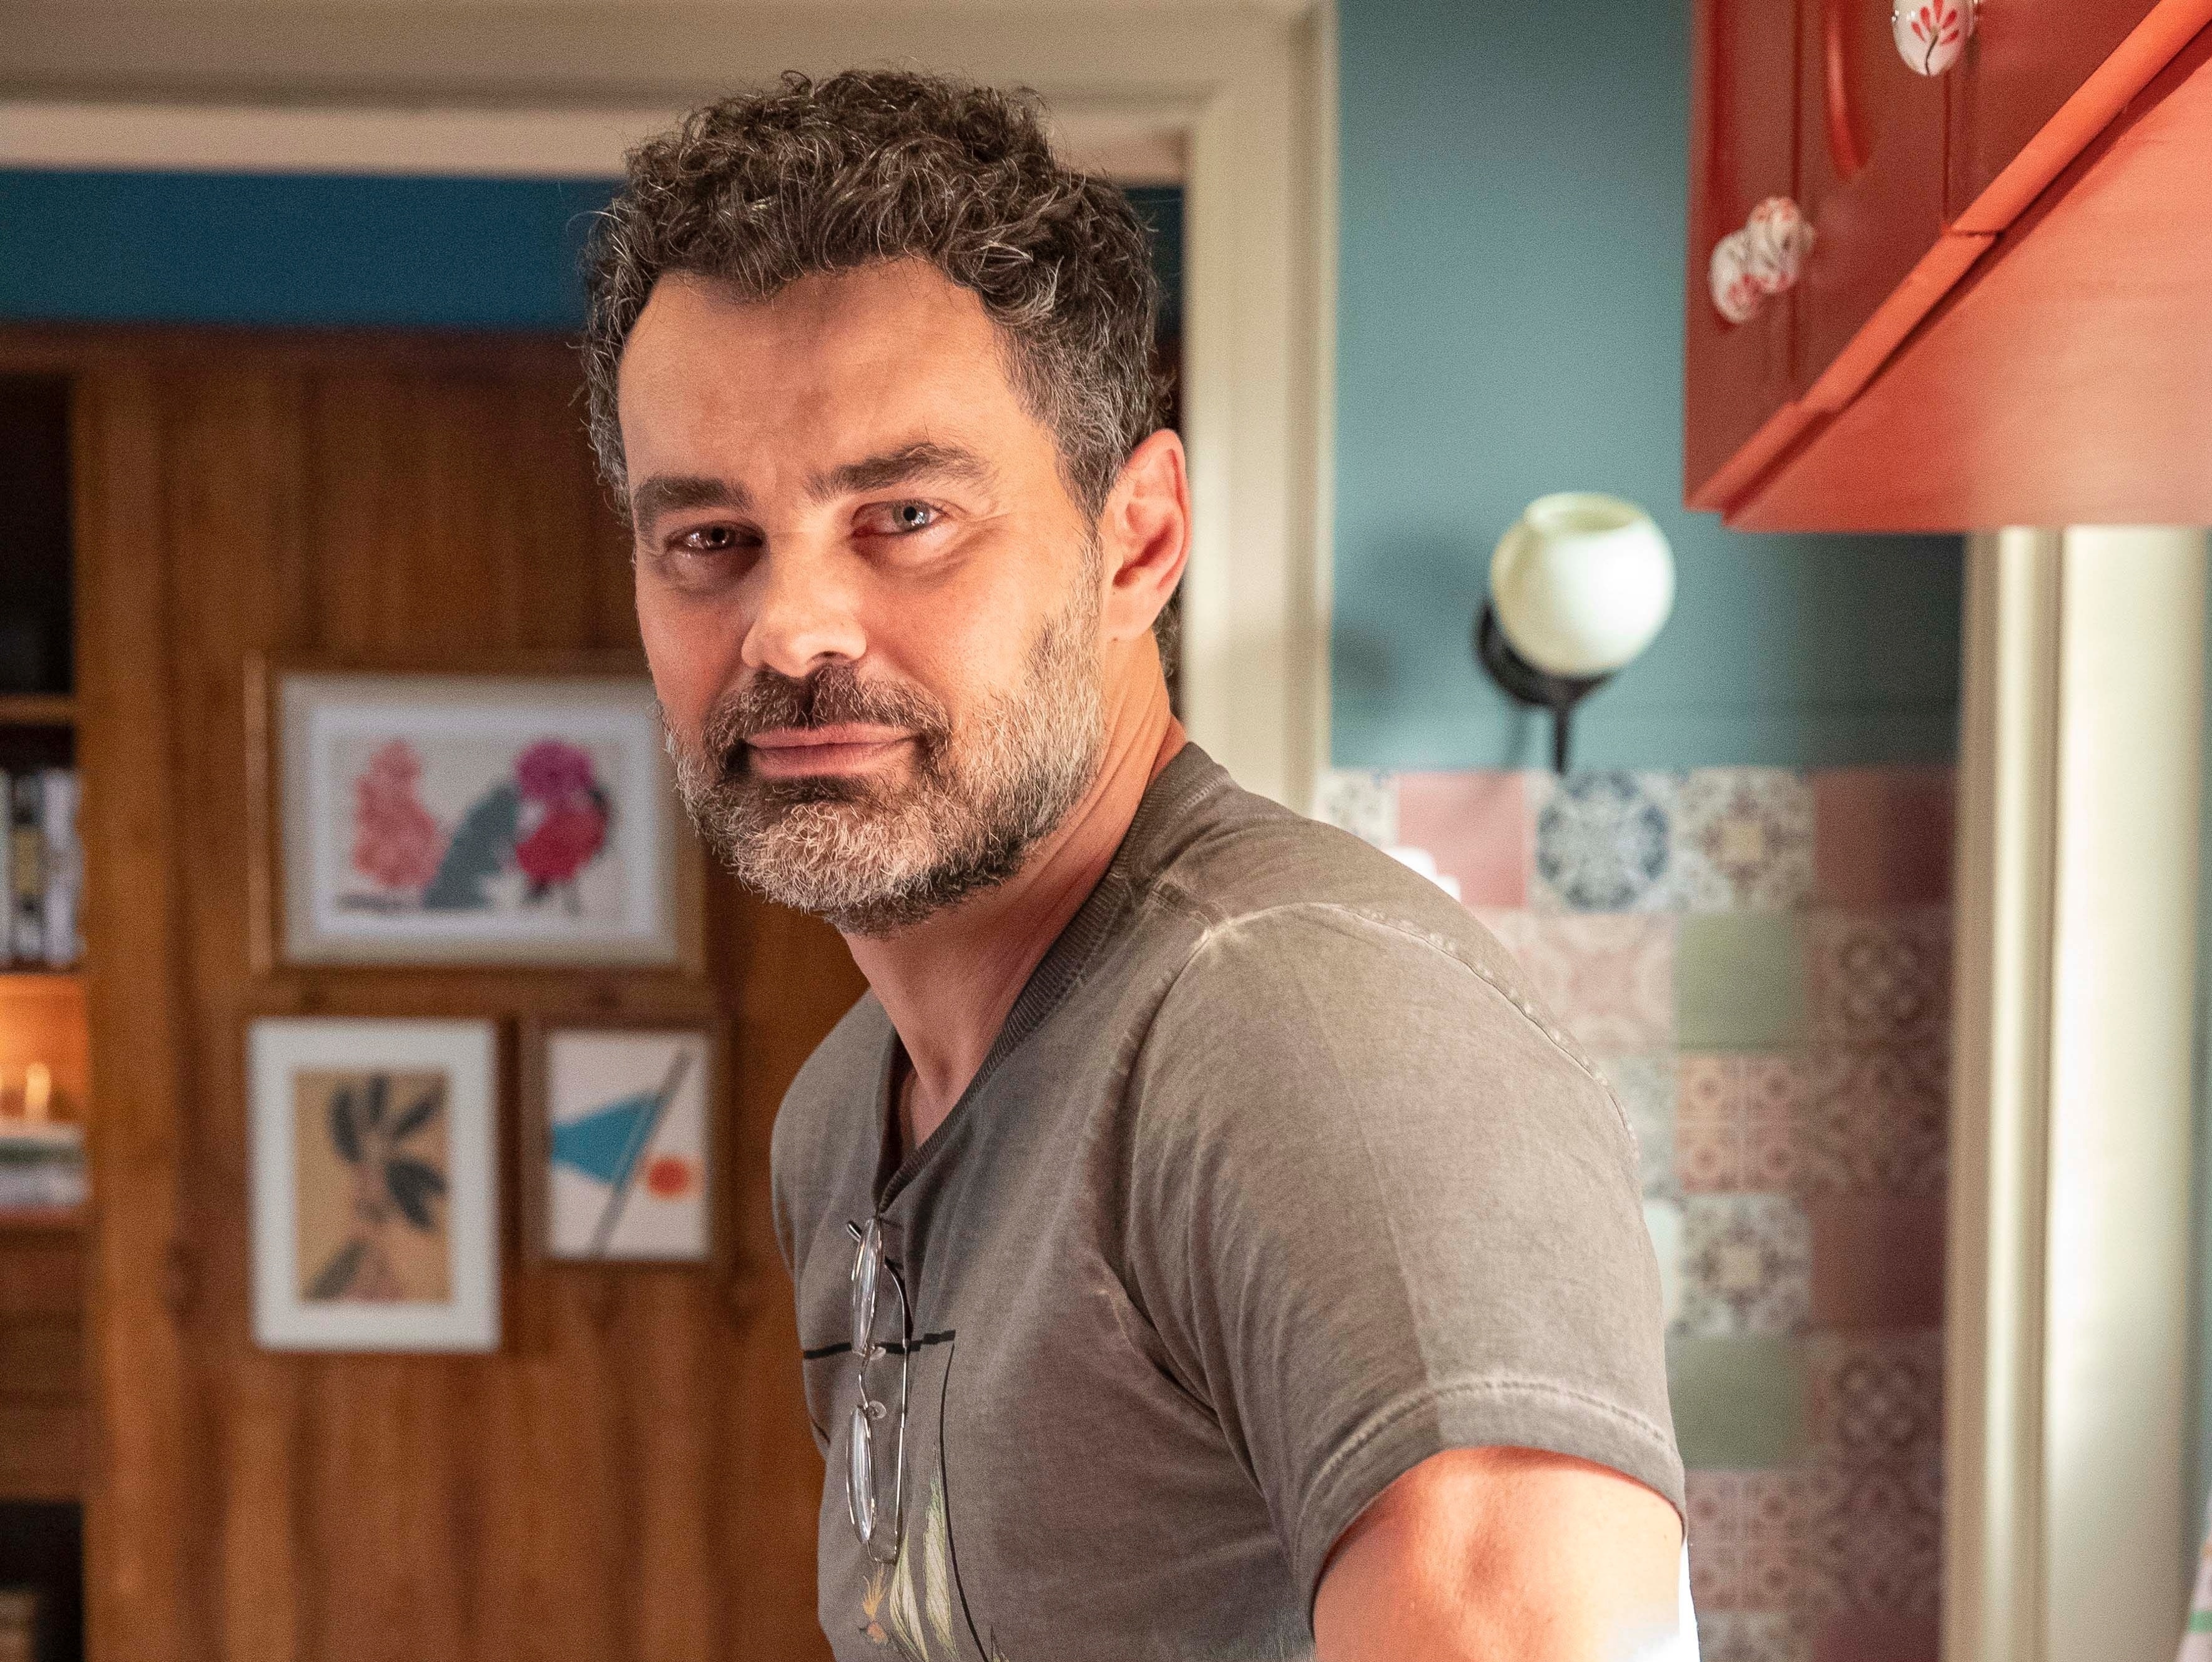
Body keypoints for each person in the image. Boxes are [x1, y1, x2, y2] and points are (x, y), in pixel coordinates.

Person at [585, 69, 1693, 1661]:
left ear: (1139, 539)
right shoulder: (840, 1119)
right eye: (709, 539)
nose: (790, 628)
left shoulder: (1297, 1026)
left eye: (903, 514)